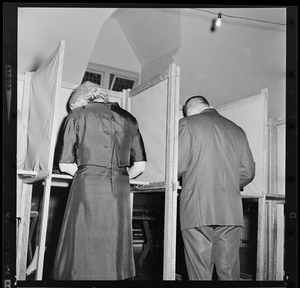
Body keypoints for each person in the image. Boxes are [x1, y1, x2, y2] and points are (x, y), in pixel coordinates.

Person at [52, 81, 147, 280]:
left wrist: (89, 172)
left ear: (80, 101)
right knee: (113, 245)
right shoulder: (130, 119)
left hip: (87, 185)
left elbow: (65, 165)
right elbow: (140, 166)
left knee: (82, 244)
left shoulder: (77, 115)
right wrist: (120, 177)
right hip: (120, 187)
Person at [178, 95, 255, 280]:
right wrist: (226, 185)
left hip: (197, 208)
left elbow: (177, 166)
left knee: (200, 272)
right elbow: (248, 172)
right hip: (230, 211)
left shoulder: (188, 123)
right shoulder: (237, 130)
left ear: (189, 110)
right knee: (229, 272)